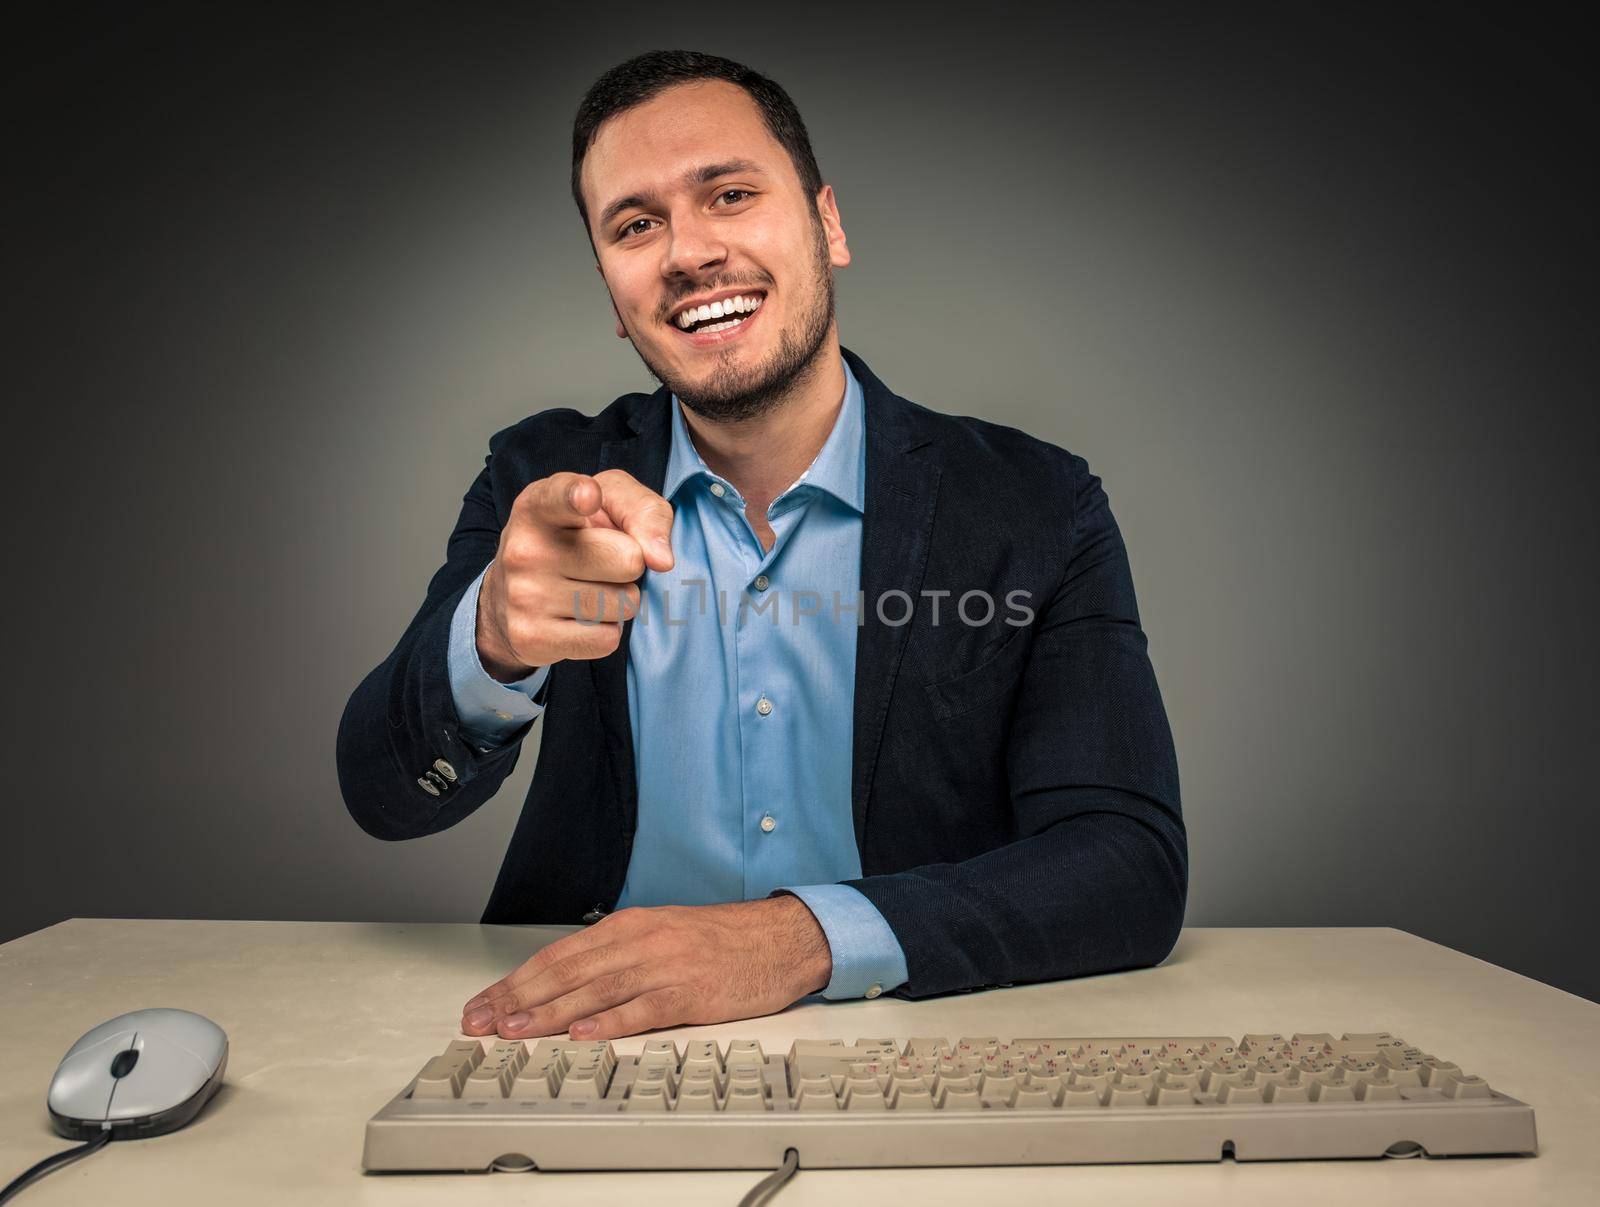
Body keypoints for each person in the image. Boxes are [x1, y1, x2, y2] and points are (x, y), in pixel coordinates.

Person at [336, 49, 1187, 1044]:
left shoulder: (1034, 503)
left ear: (826, 224)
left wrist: (790, 943)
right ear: (613, 293)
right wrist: (492, 638)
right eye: (635, 224)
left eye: (730, 194)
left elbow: (1127, 859)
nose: (688, 253)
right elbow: (383, 795)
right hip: (585, 1040)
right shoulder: (543, 480)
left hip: (922, 1036)